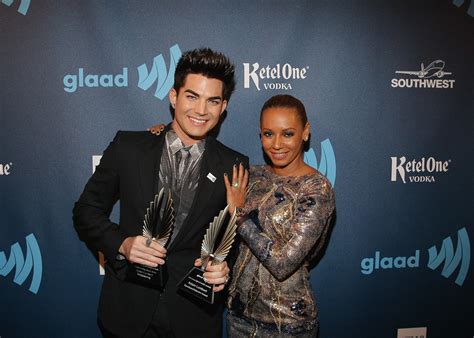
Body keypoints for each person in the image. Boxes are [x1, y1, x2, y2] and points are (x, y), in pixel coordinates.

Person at [73, 48, 249, 338]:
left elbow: (234, 241)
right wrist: (122, 244)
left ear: (224, 106)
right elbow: (85, 211)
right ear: (173, 96)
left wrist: (224, 271)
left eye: (212, 101)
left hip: (193, 318)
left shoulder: (234, 165)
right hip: (126, 312)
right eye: (192, 96)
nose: (201, 110)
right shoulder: (128, 147)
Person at [224, 94, 335, 337]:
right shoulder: (251, 176)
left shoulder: (316, 188)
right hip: (238, 317)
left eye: (288, 134)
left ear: (305, 132)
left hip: (288, 324)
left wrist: (239, 216)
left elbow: (283, 263)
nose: (276, 144)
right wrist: (161, 134)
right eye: (268, 133)